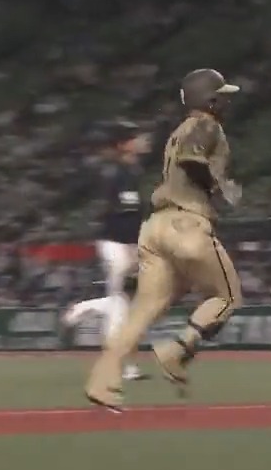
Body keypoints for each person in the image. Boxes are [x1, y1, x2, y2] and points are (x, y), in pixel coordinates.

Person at [84, 69, 244, 412]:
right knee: (227, 296)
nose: (226, 101)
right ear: (208, 99)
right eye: (221, 95)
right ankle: (176, 351)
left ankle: (103, 381)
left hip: (155, 226)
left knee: (142, 311)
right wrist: (221, 186)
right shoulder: (206, 125)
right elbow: (192, 160)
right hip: (186, 224)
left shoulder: (178, 130)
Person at [63, 121, 147, 381]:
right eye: (135, 138)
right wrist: (132, 248)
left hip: (125, 242)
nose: (142, 141)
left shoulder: (131, 171)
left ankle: (84, 309)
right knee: (121, 303)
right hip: (116, 243)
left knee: (125, 303)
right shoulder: (118, 173)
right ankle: (120, 366)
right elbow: (122, 215)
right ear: (124, 145)